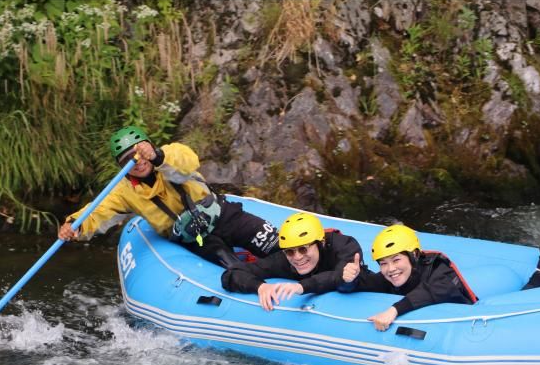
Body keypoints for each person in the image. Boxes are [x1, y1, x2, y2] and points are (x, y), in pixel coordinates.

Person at [58, 126, 279, 267]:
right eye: (129, 160)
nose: (139, 161)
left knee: (274, 242)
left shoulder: (170, 155)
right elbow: (98, 211)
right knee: (233, 266)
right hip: (195, 239)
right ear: (121, 166)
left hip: (223, 216)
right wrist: (74, 224)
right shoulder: (122, 191)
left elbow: (188, 162)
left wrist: (157, 156)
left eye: (139, 153)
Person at [343, 225, 540, 331]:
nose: (390, 269)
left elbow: (432, 293)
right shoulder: (391, 276)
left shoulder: (438, 268)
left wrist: (393, 310)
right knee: (528, 291)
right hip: (473, 317)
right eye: (384, 264)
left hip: (481, 315)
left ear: (413, 256)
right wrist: (351, 279)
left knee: (536, 305)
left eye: (396, 260)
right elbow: (367, 283)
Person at [221, 212, 366, 311]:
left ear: (320, 243)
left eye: (303, 249)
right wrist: (259, 287)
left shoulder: (345, 246)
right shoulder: (283, 260)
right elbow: (231, 274)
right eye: (290, 251)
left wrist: (301, 287)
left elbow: (341, 281)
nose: (297, 257)